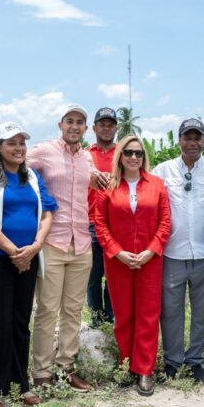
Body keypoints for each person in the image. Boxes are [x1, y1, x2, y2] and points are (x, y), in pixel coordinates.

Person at [0, 122, 57, 407]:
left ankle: (21, 384)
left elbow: (47, 213)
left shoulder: (32, 176)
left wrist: (34, 247)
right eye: (11, 143)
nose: (19, 148)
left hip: (28, 259)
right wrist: (13, 251)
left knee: (21, 322)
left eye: (22, 142)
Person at [26, 105, 97, 393]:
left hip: (81, 242)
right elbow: (13, 162)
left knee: (73, 310)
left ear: (85, 128)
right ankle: (42, 373)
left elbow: (96, 177)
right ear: (60, 124)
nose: (74, 126)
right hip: (52, 242)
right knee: (47, 310)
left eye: (80, 122)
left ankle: (66, 367)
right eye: (70, 121)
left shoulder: (87, 157)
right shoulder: (44, 152)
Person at [93, 134, 171, 396]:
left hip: (150, 260)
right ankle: (126, 363)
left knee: (148, 315)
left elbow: (165, 222)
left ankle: (145, 369)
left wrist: (151, 251)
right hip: (118, 261)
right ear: (120, 156)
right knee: (123, 314)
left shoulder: (157, 185)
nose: (134, 157)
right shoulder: (108, 186)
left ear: (144, 156)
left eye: (138, 153)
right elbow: (100, 224)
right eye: (128, 152)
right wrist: (117, 252)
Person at [153, 118, 204, 382]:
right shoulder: (163, 170)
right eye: (187, 138)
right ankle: (172, 361)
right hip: (172, 253)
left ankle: (195, 361)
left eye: (197, 138)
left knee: (202, 312)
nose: (192, 143)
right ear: (179, 140)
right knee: (171, 312)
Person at [87, 107, 118, 327]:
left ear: (116, 128)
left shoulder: (124, 154)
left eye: (110, 125)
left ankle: (111, 317)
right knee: (93, 276)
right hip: (89, 222)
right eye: (102, 125)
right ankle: (96, 319)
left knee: (114, 274)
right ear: (94, 128)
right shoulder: (85, 154)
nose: (106, 129)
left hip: (117, 223)